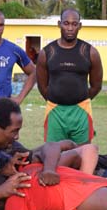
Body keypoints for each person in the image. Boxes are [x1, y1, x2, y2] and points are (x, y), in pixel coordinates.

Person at [37, 8, 102, 144]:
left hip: (81, 111)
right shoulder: (47, 52)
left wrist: (80, 99)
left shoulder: (90, 52)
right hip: (55, 111)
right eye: (66, 23)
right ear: (59, 24)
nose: (70, 28)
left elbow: (96, 86)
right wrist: (56, 99)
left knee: (82, 154)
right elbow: (42, 86)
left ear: (80, 26)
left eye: (74, 24)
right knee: (53, 154)